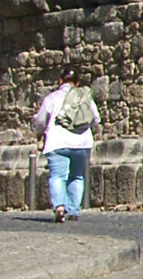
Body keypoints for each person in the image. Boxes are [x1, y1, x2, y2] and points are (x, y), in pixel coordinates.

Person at [33, 67, 100, 222]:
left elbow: (40, 121)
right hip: (82, 143)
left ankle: (59, 207)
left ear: (60, 81)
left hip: (57, 142)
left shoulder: (52, 98)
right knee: (76, 176)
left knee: (58, 175)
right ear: (77, 82)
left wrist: (39, 132)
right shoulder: (84, 97)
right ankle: (74, 210)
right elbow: (96, 118)